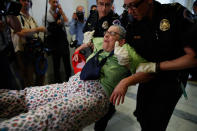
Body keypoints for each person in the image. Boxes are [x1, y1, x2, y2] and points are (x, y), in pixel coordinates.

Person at [0, 25, 150, 131]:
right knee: (27, 96)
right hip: (73, 84)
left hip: (95, 95)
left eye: (113, 34)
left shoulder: (128, 51)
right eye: (107, 32)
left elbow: (150, 71)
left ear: (122, 40)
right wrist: (80, 48)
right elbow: (87, 43)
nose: (107, 35)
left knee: (47, 116)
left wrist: (126, 81)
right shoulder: (99, 42)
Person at [111, 0, 197, 131]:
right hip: (148, 76)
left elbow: (193, 58)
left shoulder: (175, 13)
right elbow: (131, 54)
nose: (129, 11)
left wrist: (157, 66)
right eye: (126, 6)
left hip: (171, 79)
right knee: (141, 114)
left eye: (133, 5)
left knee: (156, 122)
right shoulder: (130, 20)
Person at [83, 0, 120, 130]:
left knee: (105, 96)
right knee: (90, 85)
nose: (103, 9)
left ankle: (101, 123)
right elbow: (86, 31)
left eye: (107, 5)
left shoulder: (115, 20)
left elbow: (116, 44)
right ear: (97, 3)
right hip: (91, 54)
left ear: (112, 4)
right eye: (101, 4)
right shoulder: (93, 14)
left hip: (107, 61)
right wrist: (87, 43)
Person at [13, 0, 47, 88]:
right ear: (19, 2)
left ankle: (39, 98)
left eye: (28, 1)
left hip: (35, 51)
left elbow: (35, 34)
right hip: (23, 52)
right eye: (24, 0)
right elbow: (21, 32)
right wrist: (38, 29)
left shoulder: (32, 18)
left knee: (41, 76)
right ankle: (29, 100)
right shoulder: (15, 17)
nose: (26, 2)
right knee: (28, 80)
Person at [45, 0, 71, 83]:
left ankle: (69, 80)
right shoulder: (46, 15)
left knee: (67, 63)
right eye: (54, 2)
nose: (55, 4)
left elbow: (67, 24)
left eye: (57, 2)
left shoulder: (61, 12)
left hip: (63, 41)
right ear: (49, 2)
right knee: (56, 64)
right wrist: (56, 25)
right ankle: (57, 82)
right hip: (54, 42)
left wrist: (62, 12)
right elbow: (45, 30)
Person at [0, 12, 22, 89]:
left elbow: (18, 29)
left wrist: (12, 13)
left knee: (15, 84)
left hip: (8, 51)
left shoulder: (4, 12)